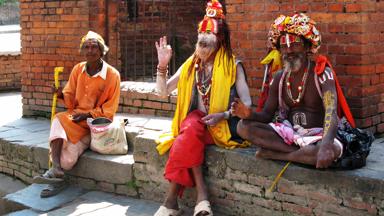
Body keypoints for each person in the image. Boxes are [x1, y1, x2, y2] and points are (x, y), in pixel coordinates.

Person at [154, 1, 252, 215]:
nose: (204, 40)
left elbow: (248, 105)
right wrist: (162, 66)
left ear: (221, 39)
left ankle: (172, 201)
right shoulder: (191, 64)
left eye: (210, 34)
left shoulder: (233, 65)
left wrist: (223, 114)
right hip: (197, 124)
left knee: (187, 135)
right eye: (202, 35)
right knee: (190, 130)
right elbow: (163, 92)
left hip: (224, 127)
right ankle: (202, 197)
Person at [231, 13, 359, 169]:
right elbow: (266, 115)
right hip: (290, 135)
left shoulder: (322, 74)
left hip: (319, 136)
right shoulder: (279, 78)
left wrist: (325, 145)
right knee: (243, 126)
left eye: (295, 44)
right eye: (284, 46)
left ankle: (276, 154)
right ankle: (301, 154)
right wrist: (248, 114)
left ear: (306, 47)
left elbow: (331, 113)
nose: (289, 51)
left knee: (330, 150)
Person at [32, 31, 121, 197]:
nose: (90, 51)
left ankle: (56, 172)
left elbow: (109, 111)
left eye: (94, 47)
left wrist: (87, 115)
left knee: (69, 161)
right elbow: (70, 99)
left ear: (101, 51)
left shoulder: (112, 75)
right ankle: (56, 169)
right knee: (59, 119)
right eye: (86, 47)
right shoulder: (78, 69)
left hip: (94, 125)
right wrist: (60, 94)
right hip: (73, 118)